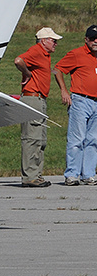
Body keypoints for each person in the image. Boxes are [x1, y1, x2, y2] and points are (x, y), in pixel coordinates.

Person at [14, 27, 61, 187]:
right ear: (44, 41)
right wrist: (27, 74)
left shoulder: (45, 54)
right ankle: (29, 177)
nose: (56, 43)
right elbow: (18, 60)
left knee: (40, 139)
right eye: (53, 40)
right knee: (32, 138)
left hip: (39, 99)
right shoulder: (36, 51)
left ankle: (36, 175)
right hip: (32, 98)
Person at [54, 25, 97, 185]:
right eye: (92, 38)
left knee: (93, 139)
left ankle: (89, 174)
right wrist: (64, 91)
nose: (96, 41)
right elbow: (57, 69)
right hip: (80, 100)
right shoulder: (77, 54)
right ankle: (72, 174)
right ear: (86, 39)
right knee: (76, 139)